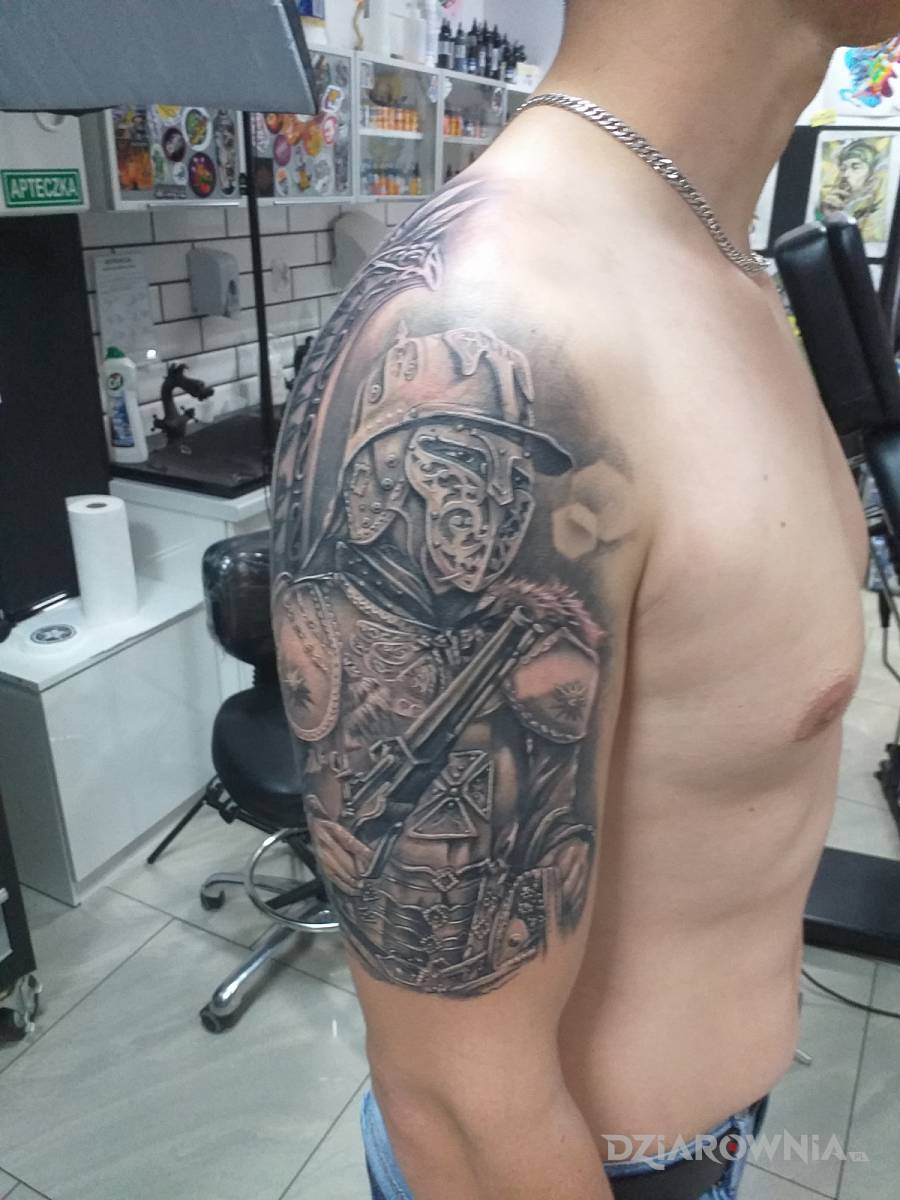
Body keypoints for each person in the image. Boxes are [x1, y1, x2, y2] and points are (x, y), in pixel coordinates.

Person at [272, 1, 887, 1196]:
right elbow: (459, 1103)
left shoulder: (718, 265)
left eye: (499, 483)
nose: (483, 508)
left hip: (699, 1136)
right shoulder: (507, 308)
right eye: (452, 475)